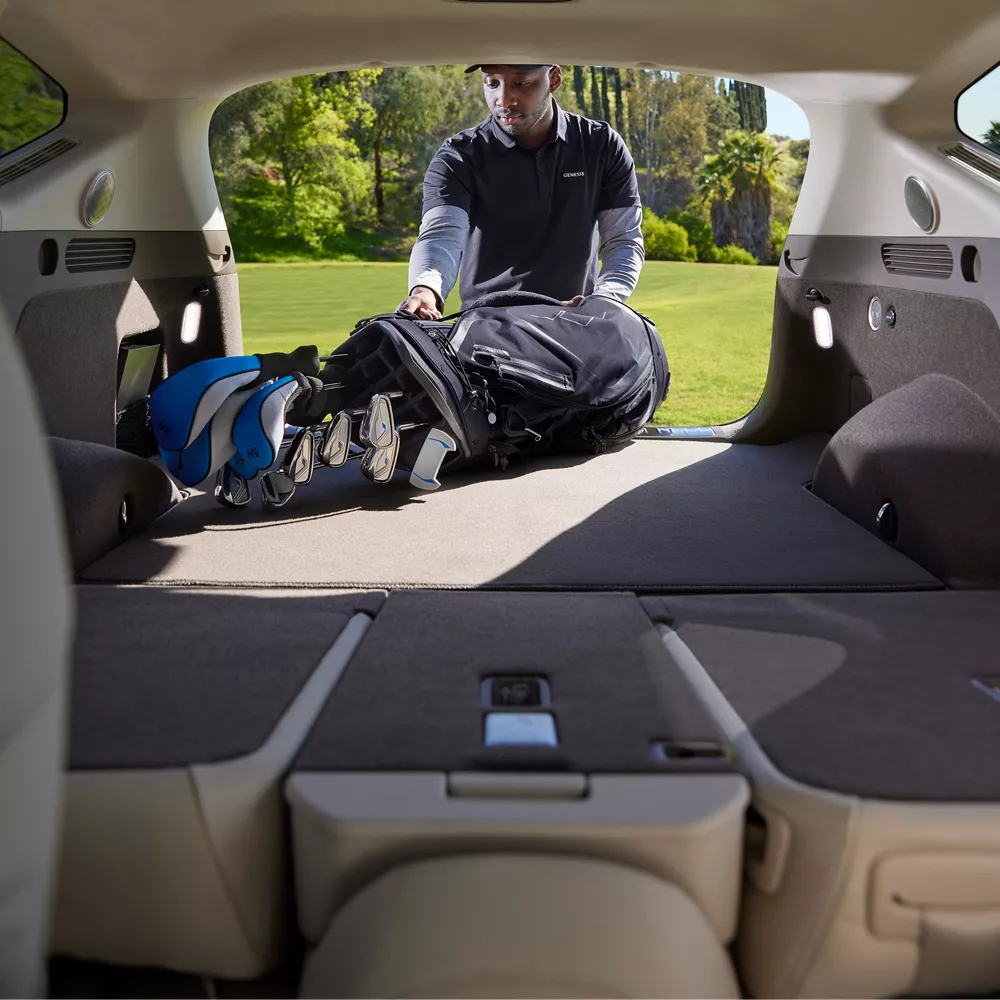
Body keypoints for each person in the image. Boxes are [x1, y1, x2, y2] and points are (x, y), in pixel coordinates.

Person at [401, 64, 644, 320]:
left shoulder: (601, 145)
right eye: (493, 83)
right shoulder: (457, 157)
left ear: (554, 79)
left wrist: (605, 299)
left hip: (576, 326)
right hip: (485, 331)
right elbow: (442, 235)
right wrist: (426, 288)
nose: (504, 100)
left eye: (522, 82)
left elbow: (623, 241)